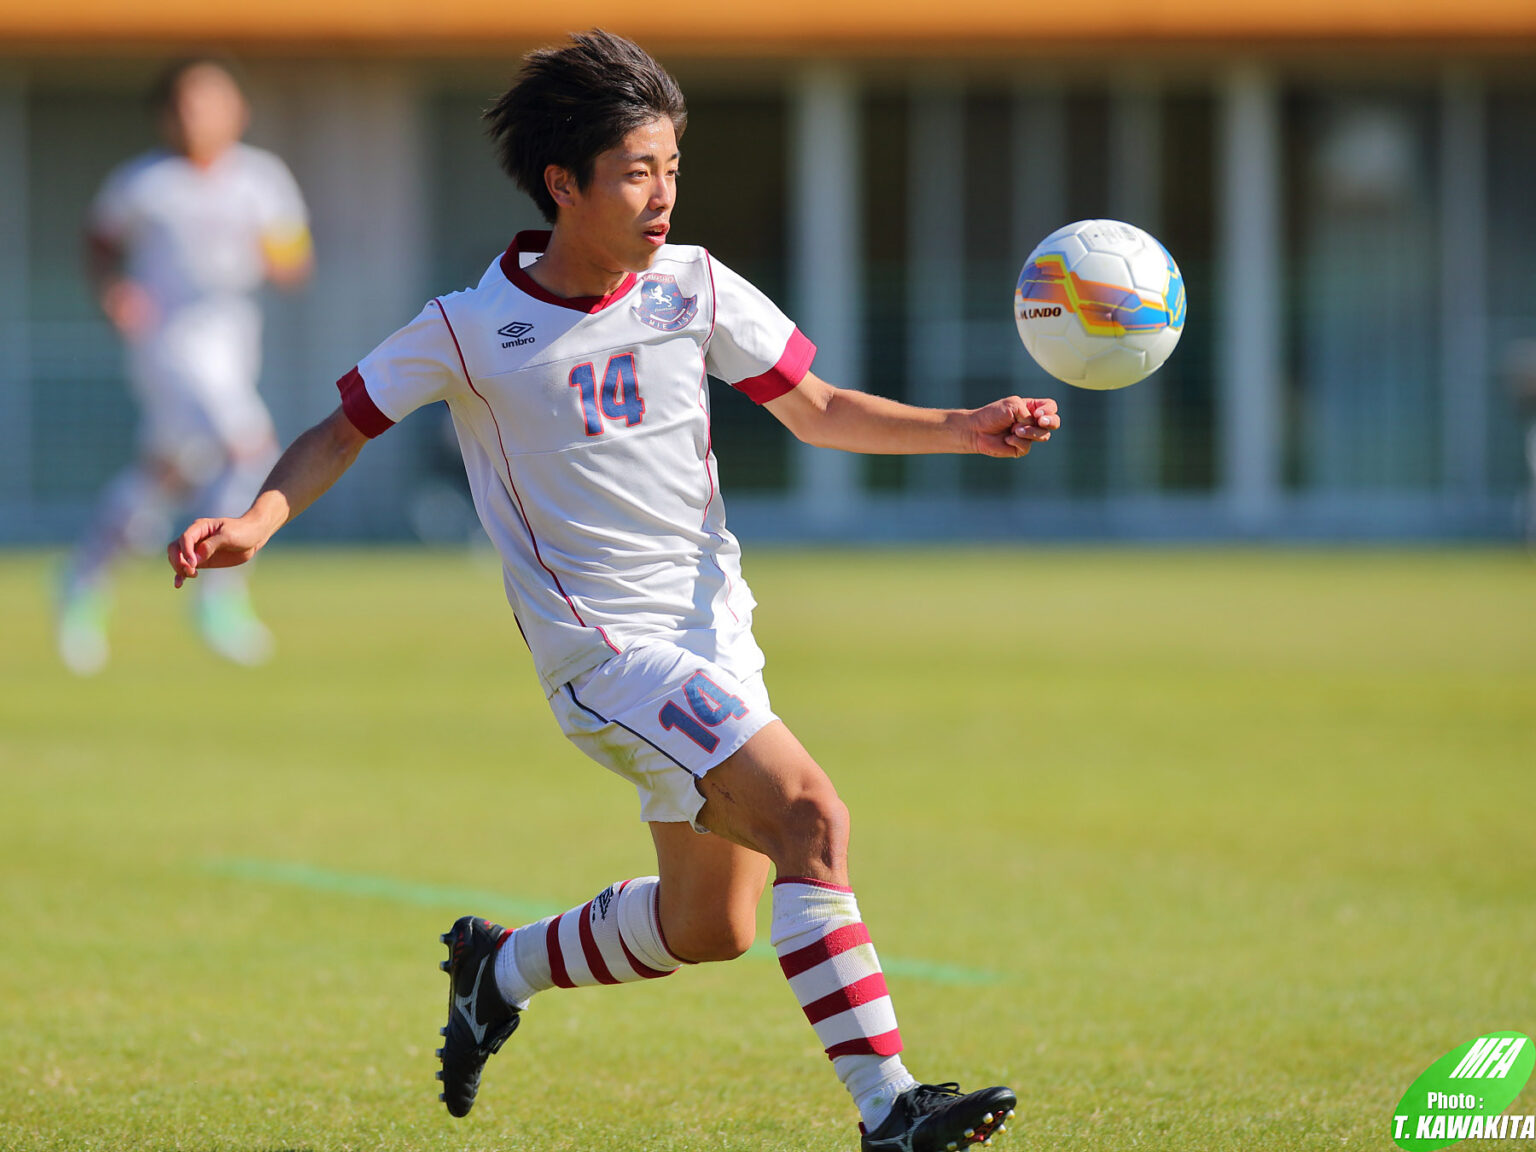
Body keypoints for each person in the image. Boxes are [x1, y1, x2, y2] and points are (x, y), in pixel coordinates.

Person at [167, 31, 1058, 1152]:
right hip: (607, 661)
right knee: (812, 818)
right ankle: (890, 1110)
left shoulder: (692, 287)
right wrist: (255, 520)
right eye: (638, 171)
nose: (663, 195)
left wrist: (964, 430)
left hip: (714, 642)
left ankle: (502, 967)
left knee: (711, 925)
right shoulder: (468, 328)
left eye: (671, 167)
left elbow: (817, 406)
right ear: (563, 183)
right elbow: (338, 430)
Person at [58, 56, 312, 675]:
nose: (200, 114)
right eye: (188, 104)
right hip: (168, 345)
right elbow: (98, 244)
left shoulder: (261, 178)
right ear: (168, 115)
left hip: (232, 344)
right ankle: (218, 596)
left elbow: (293, 258)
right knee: (248, 446)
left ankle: (82, 579)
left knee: (170, 472)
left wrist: (277, 259)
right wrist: (115, 291)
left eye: (213, 101)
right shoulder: (145, 183)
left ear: (237, 110)